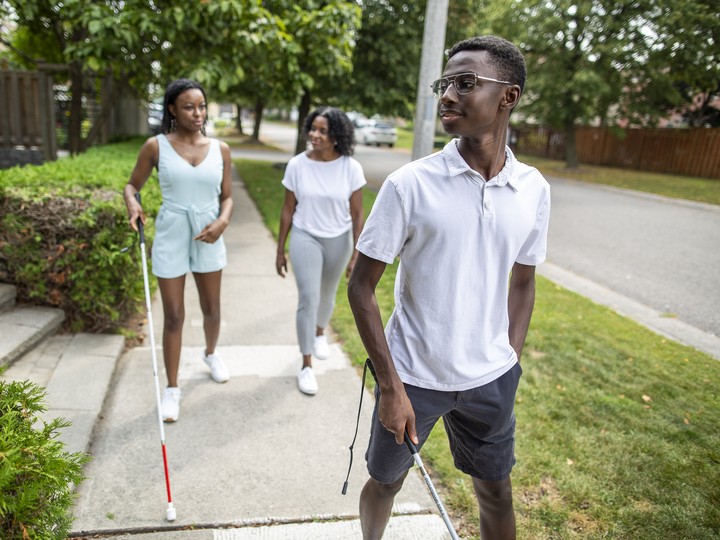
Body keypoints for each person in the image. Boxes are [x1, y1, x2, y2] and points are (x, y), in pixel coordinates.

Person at [347, 36, 551, 539]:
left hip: (490, 380)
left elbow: (522, 282)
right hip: (413, 375)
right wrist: (391, 388)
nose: (448, 95)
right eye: (446, 84)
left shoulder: (534, 190)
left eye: (465, 83)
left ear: (509, 97)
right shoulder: (409, 185)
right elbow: (360, 287)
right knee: (385, 480)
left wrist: (510, 358)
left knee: (496, 492)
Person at [124, 78, 234, 422]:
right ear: (172, 109)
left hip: (208, 232)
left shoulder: (221, 149)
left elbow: (227, 196)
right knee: (173, 316)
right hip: (172, 232)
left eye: (201, 106)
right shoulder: (155, 146)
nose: (198, 113)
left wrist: (223, 221)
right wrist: (133, 204)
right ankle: (172, 389)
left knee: (212, 309)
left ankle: (211, 353)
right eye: (189, 107)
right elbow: (132, 185)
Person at [276, 107, 366, 396]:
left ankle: (318, 334)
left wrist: (355, 253)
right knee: (308, 298)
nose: (315, 135)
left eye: (322, 131)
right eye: (312, 128)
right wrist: (280, 250)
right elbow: (288, 210)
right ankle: (306, 366)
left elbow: (357, 213)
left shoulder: (350, 167)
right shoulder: (297, 165)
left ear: (337, 136)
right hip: (305, 236)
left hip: (338, 239)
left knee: (327, 295)